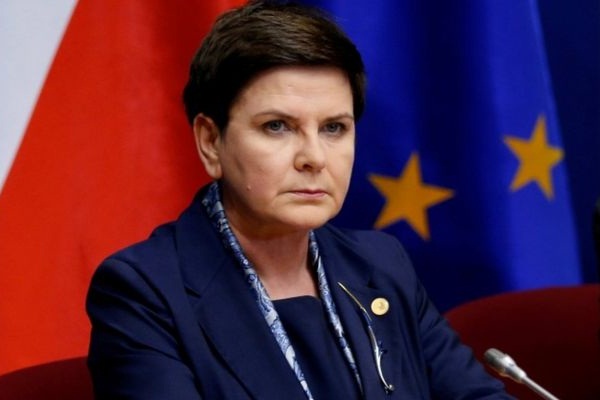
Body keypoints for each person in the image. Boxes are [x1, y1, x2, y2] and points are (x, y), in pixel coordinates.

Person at [86, 1, 514, 399]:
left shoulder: (382, 265)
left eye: (333, 128)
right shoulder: (144, 292)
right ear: (211, 142)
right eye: (277, 126)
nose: (314, 157)